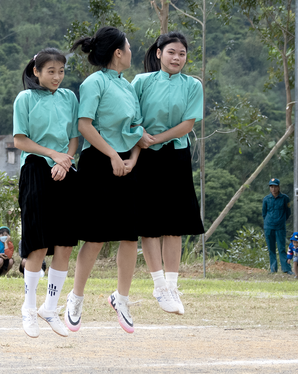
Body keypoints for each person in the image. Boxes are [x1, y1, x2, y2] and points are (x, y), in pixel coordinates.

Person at [65, 27, 144, 334]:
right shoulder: (93, 83)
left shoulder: (129, 87)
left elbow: (137, 128)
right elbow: (85, 125)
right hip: (99, 163)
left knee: (129, 236)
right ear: (118, 53)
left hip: (127, 162)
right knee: (95, 237)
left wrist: (132, 159)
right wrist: (112, 155)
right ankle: (76, 297)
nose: (132, 52)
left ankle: (121, 299)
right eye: (129, 47)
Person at [132, 33, 204, 316]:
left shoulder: (192, 85)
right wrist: (141, 137)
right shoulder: (141, 82)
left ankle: (172, 286)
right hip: (144, 154)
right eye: (172, 52)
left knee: (174, 222)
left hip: (175, 154)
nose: (177, 58)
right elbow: (131, 115)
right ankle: (159, 284)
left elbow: (187, 124)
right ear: (159, 53)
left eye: (182, 54)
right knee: (149, 223)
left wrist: (157, 137)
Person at [13, 49, 81, 338]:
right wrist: (53, 155)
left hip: (66, 170)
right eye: (50, 70)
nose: (56, 76)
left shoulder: (70, 98)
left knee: (65, 243)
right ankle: (28, 309)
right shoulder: (25, 98)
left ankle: (49, 308)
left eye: (61, 71)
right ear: (37, 71)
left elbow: (75, 138)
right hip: (36, 169)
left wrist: (65, 160)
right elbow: (20, 140)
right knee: (38, 243)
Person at [262, 178, 292, 275]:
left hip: (280, 226)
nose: (273, 189)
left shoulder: (285, 198)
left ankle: (286, 269)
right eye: (271, 186)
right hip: (269, 226)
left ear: (279, 187)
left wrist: (281, 220)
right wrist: (268, 221)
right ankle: (273, 269)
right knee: (271, 248)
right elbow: (264, 213)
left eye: (275, 186)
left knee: (281, 248)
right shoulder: (266, 199)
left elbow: (288, 212)